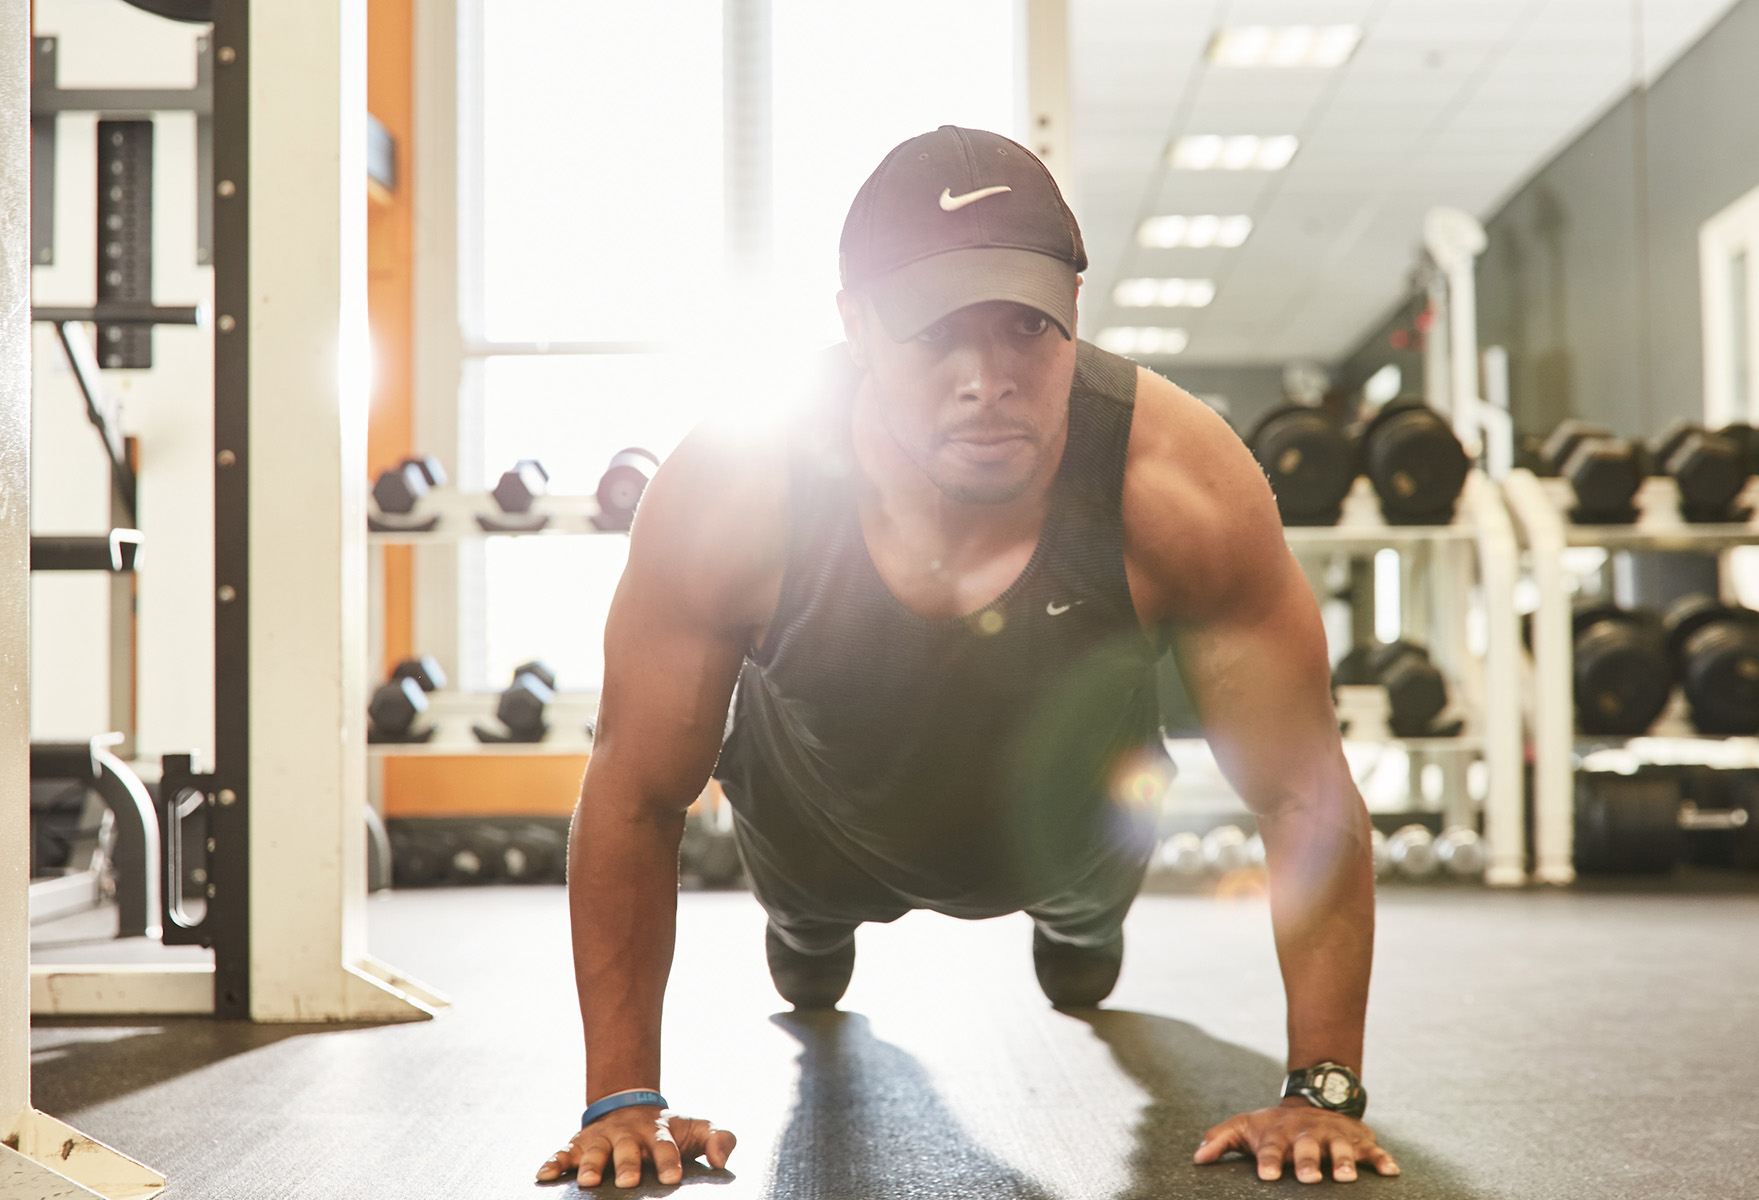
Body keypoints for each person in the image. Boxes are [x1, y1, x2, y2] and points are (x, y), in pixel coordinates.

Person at [536, 126, 1398, 1190]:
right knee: (807, 962)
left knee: (1083, 967)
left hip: (1073, 830)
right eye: (938, 333)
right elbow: (632, 790)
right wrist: (622, 1102)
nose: (987, 379)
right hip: (816, 826)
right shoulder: (736, 489)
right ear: (857, 326)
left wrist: (1323, 1091)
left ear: (1074, 308)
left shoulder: (1179, 482)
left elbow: (1304, 788)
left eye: (1024, 327)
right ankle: (810, 938)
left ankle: (1076, 937)